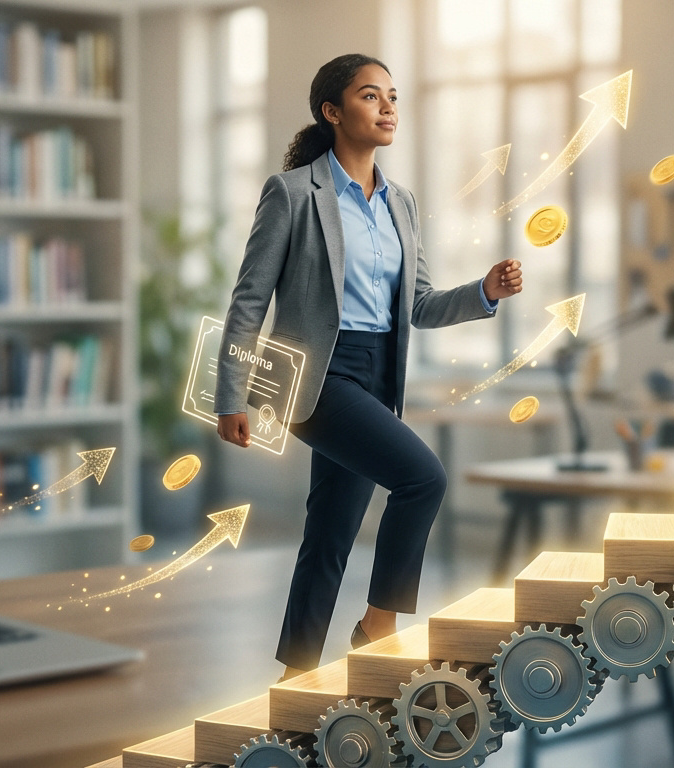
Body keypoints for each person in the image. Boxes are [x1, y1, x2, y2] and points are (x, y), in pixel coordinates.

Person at [212, 54, 523, 680]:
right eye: (370, 96)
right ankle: (376, 629)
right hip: (317, 376)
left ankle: (294, 679)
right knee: (423, 479)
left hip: (380, 373)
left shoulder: (401, 204)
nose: (388, 108)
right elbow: (250, 299)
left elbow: (421, 306)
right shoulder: (293, 193)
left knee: (328, 534)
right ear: (332, 112)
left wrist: (484, 292)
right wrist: (231, 394)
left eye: (393, 97)